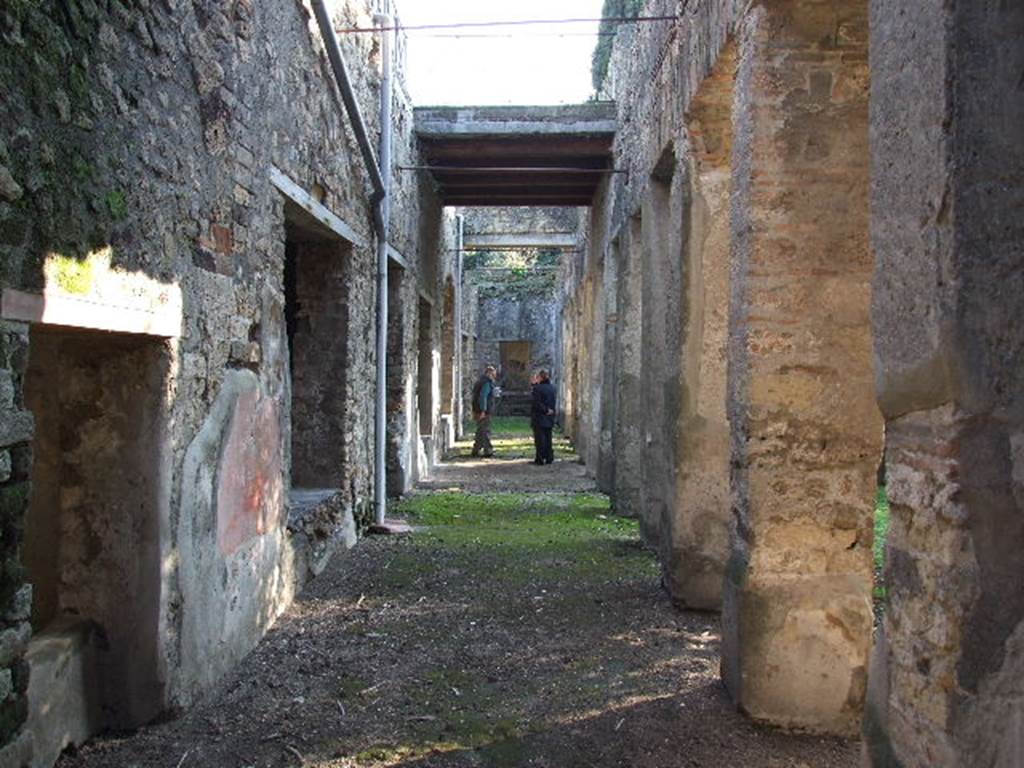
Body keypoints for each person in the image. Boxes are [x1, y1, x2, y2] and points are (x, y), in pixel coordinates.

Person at [470, 365, 497, 458]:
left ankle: (476, 449)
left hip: (477, 409)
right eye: (493, 374)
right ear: (489, 373)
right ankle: (487, 450)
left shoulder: (479, 382)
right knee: (485, 430)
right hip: (484, 411)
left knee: (480, 430)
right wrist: (483, 410)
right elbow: (483, 397)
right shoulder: (486, 383)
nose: (494, 376)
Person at [531, 369, 556, 465]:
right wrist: (550, 410)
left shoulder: (537, 389)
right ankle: (549, 457)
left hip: (540, 417)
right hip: (550, 417)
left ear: (540, 377)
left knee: (540, 439)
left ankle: (540, 458)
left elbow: (536, 403)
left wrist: (545, 410)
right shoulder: (552, 388)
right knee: (548, 438)